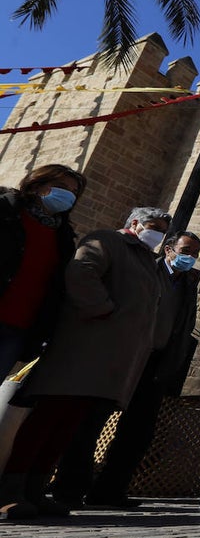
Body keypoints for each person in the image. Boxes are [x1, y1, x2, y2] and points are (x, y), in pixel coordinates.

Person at [0, 206, 169, 519]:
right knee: (47, 418)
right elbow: (81, 272)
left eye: (162, 229)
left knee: (68, 425)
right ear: (134, 222)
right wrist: (103, 310)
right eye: (153, 225)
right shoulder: (107, 240)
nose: (157, 233)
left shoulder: (148, 260)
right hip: (82, 348)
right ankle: (10, 490)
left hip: (113, 357)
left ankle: (36, 490)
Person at [53, 231, 200, 508]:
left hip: (158, 362)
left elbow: (184, 324)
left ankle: (109, 490)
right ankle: (69, 486)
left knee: (139, 430)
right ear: (169, 249)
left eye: (195, 253)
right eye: (185, 250)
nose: (189, 257)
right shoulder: (149, 269)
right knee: (94, 419)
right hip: (127, 353)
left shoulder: (189, 283)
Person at [0, 164, 86, 379]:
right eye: (60, 186)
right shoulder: (5, 212)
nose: (68, 194)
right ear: (36, 186)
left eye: (74, 192)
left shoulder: (64, 238)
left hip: (18, 329)